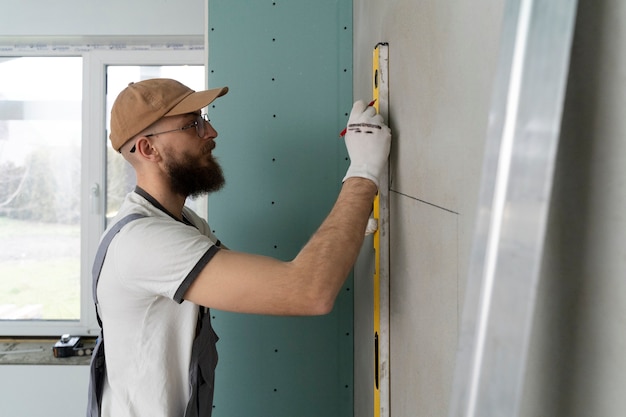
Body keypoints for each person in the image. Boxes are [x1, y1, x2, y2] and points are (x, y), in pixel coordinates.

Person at [87, 78, 391, 417]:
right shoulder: (144, 242)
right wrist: (363, 175)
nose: (211, 131)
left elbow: (274, 281)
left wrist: (347, 228)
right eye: (193, 124)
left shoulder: (181, 222)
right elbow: (307, 291)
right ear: (148, 149)